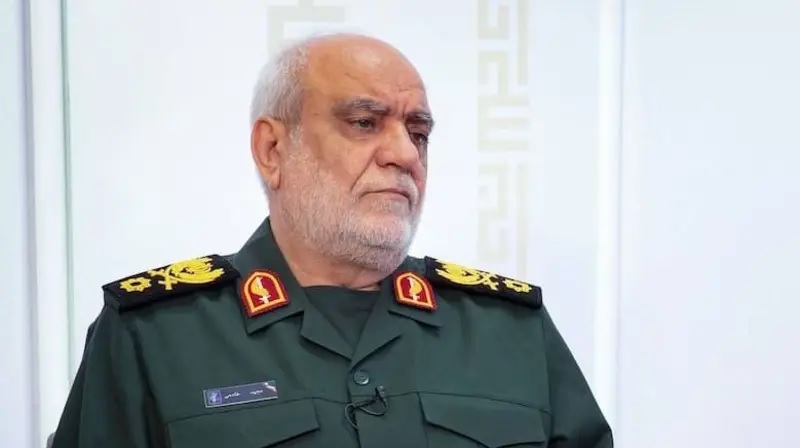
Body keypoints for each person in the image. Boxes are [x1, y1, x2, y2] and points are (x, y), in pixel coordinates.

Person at [49, 32, 612, 447]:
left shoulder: (511, 332)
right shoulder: (154, 337)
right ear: (273, 150)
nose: (405, 154)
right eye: (364, 123)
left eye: (418, 132)